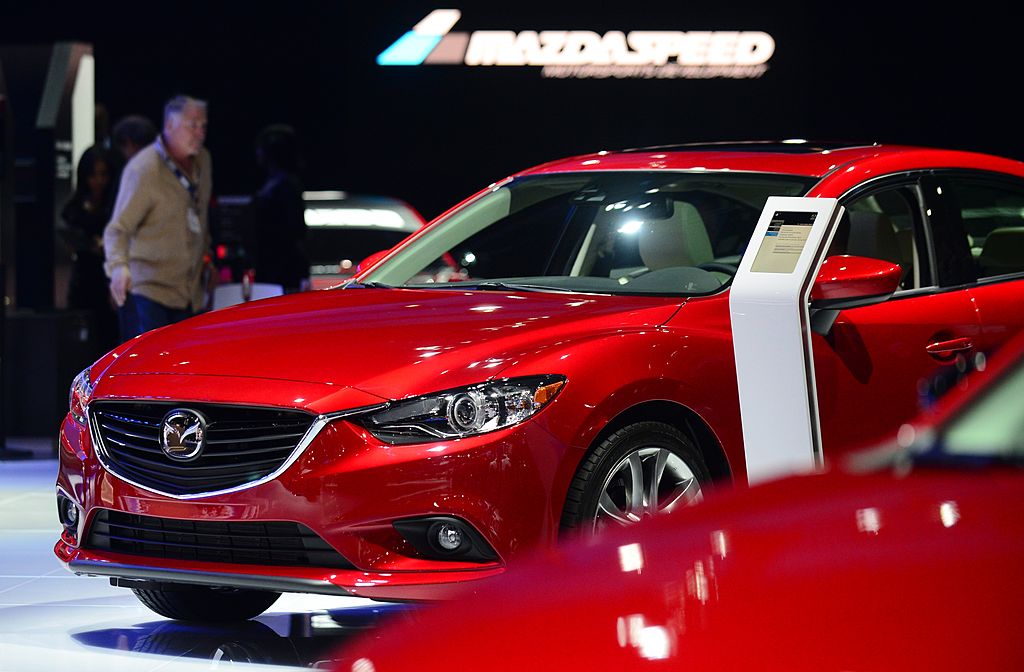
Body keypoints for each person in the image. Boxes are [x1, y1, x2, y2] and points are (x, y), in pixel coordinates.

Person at [103, 95, 214, 340]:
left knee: (184, 370)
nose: (199, 133)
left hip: (188, 292)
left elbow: (200, 217)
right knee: (148, 369)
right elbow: (117, 229)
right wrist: (118, 268)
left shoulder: (203, 161)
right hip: (148, 291)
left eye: (203, 126)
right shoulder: (144, 169)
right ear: (170, 125)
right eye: (192, 125)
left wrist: (208, 262)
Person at [61, 145, 119, 353]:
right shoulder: (75, 207)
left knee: (108, 341)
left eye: (103, 174)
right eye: (93, 175)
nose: (98, 181)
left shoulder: (115, 206)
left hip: (109, 281)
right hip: (84, 281)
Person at [250, 124, 309, 292]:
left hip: (282, 271)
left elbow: (295, 231)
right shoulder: (271, 184)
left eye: (261, 148)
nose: (258, 153)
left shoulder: (287, 186)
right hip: (269, 268)